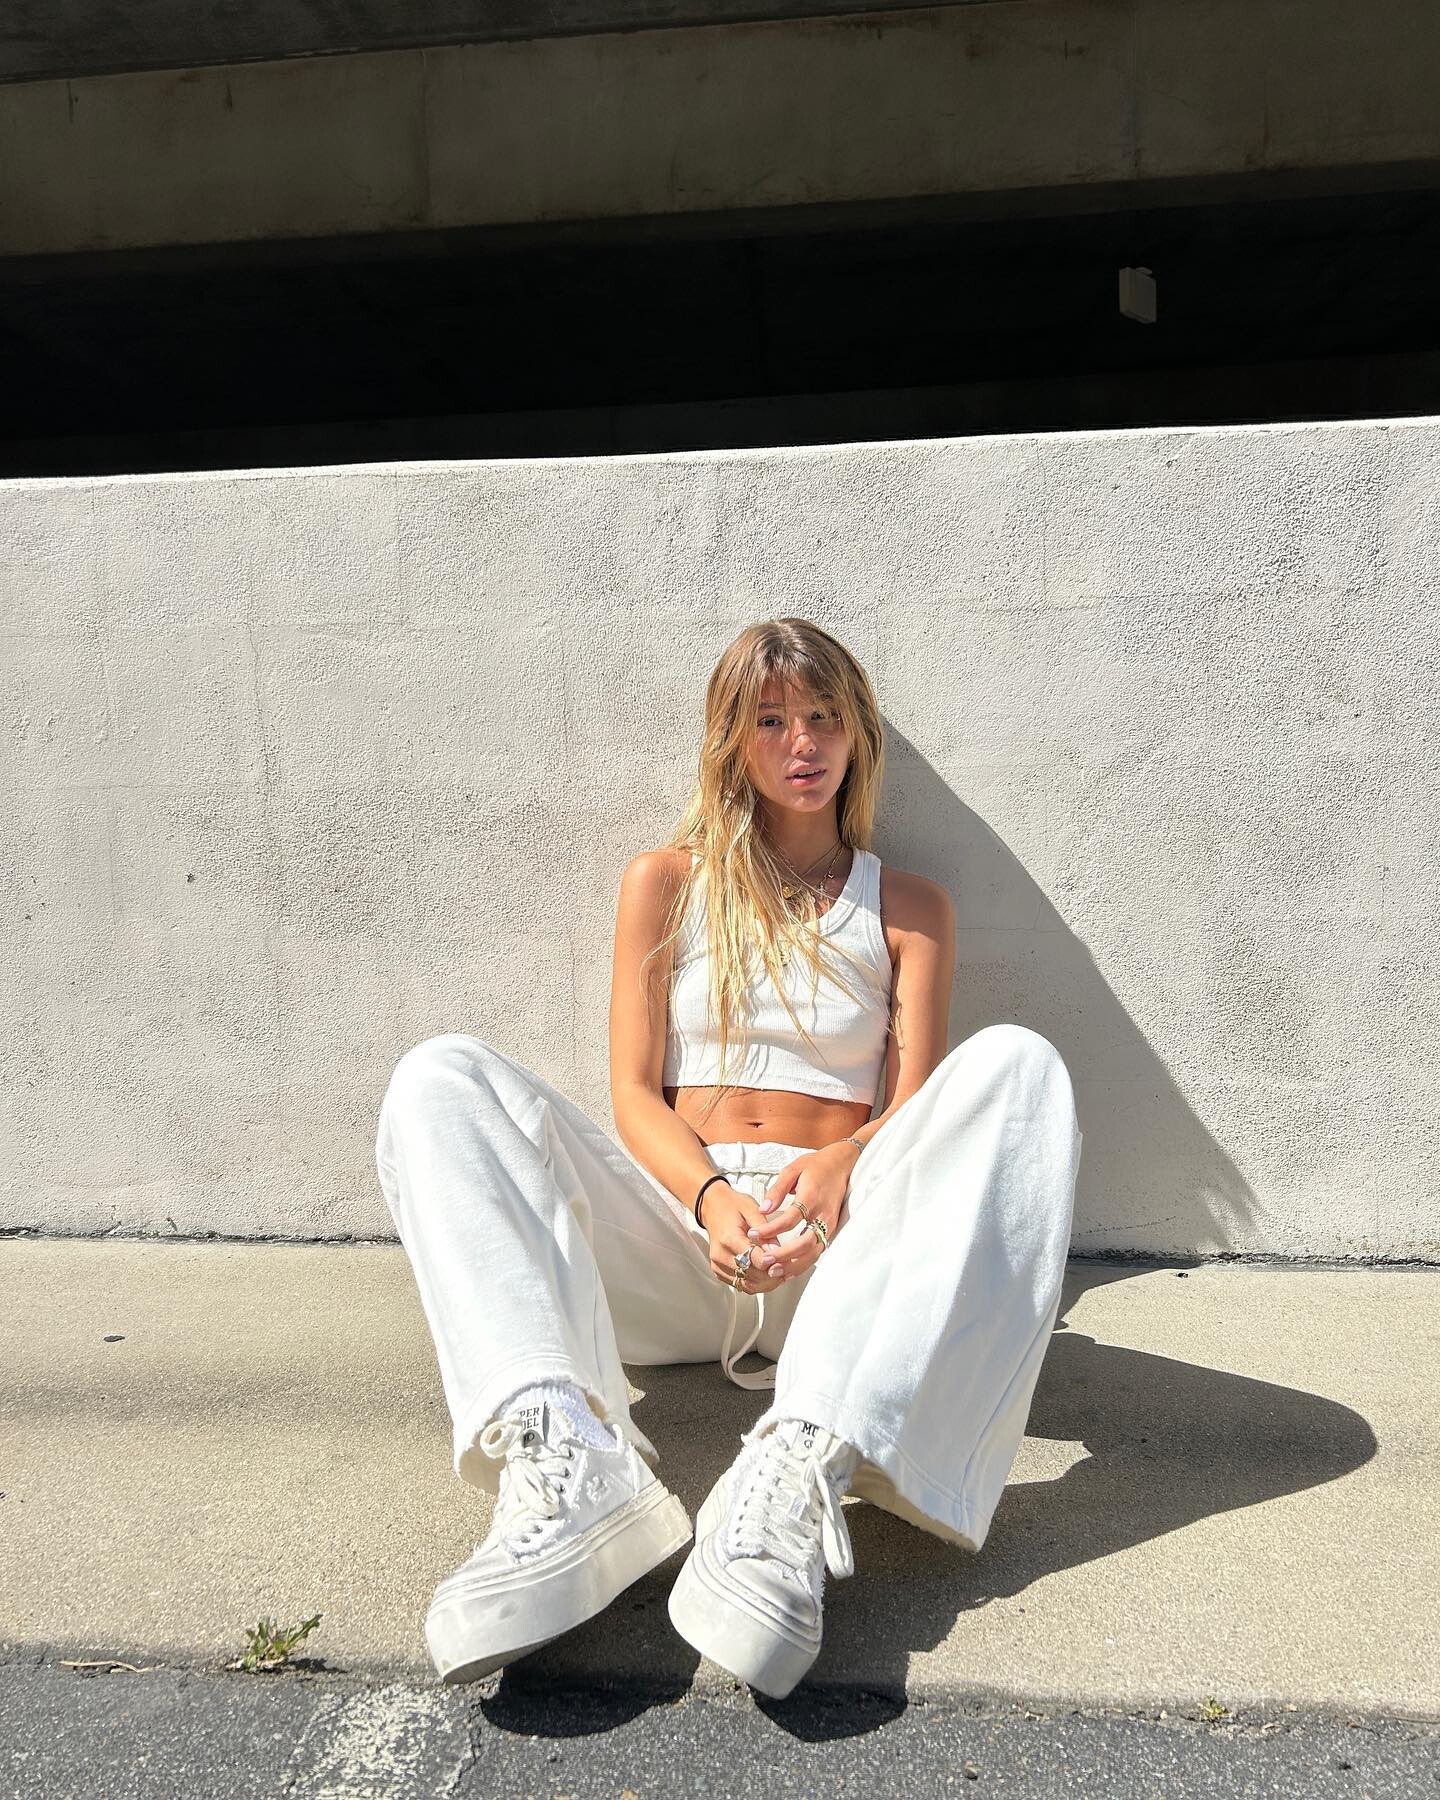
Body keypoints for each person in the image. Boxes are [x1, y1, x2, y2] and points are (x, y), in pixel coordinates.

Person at [374, 617, 1083, 1700]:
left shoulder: (909, 907)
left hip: (831, 1266)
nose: (803, 743)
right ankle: (569, 1461)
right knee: (441, 1077)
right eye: (771, 721)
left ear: (856, 735)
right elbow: (631, 1092)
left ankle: (803, 1466)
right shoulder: (664, 882)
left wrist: (844, 1167)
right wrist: (707, 1198)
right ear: (730, 741)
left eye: (824, 717)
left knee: (1021, 1067)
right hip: (679, 1244)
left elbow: (917, 1112)